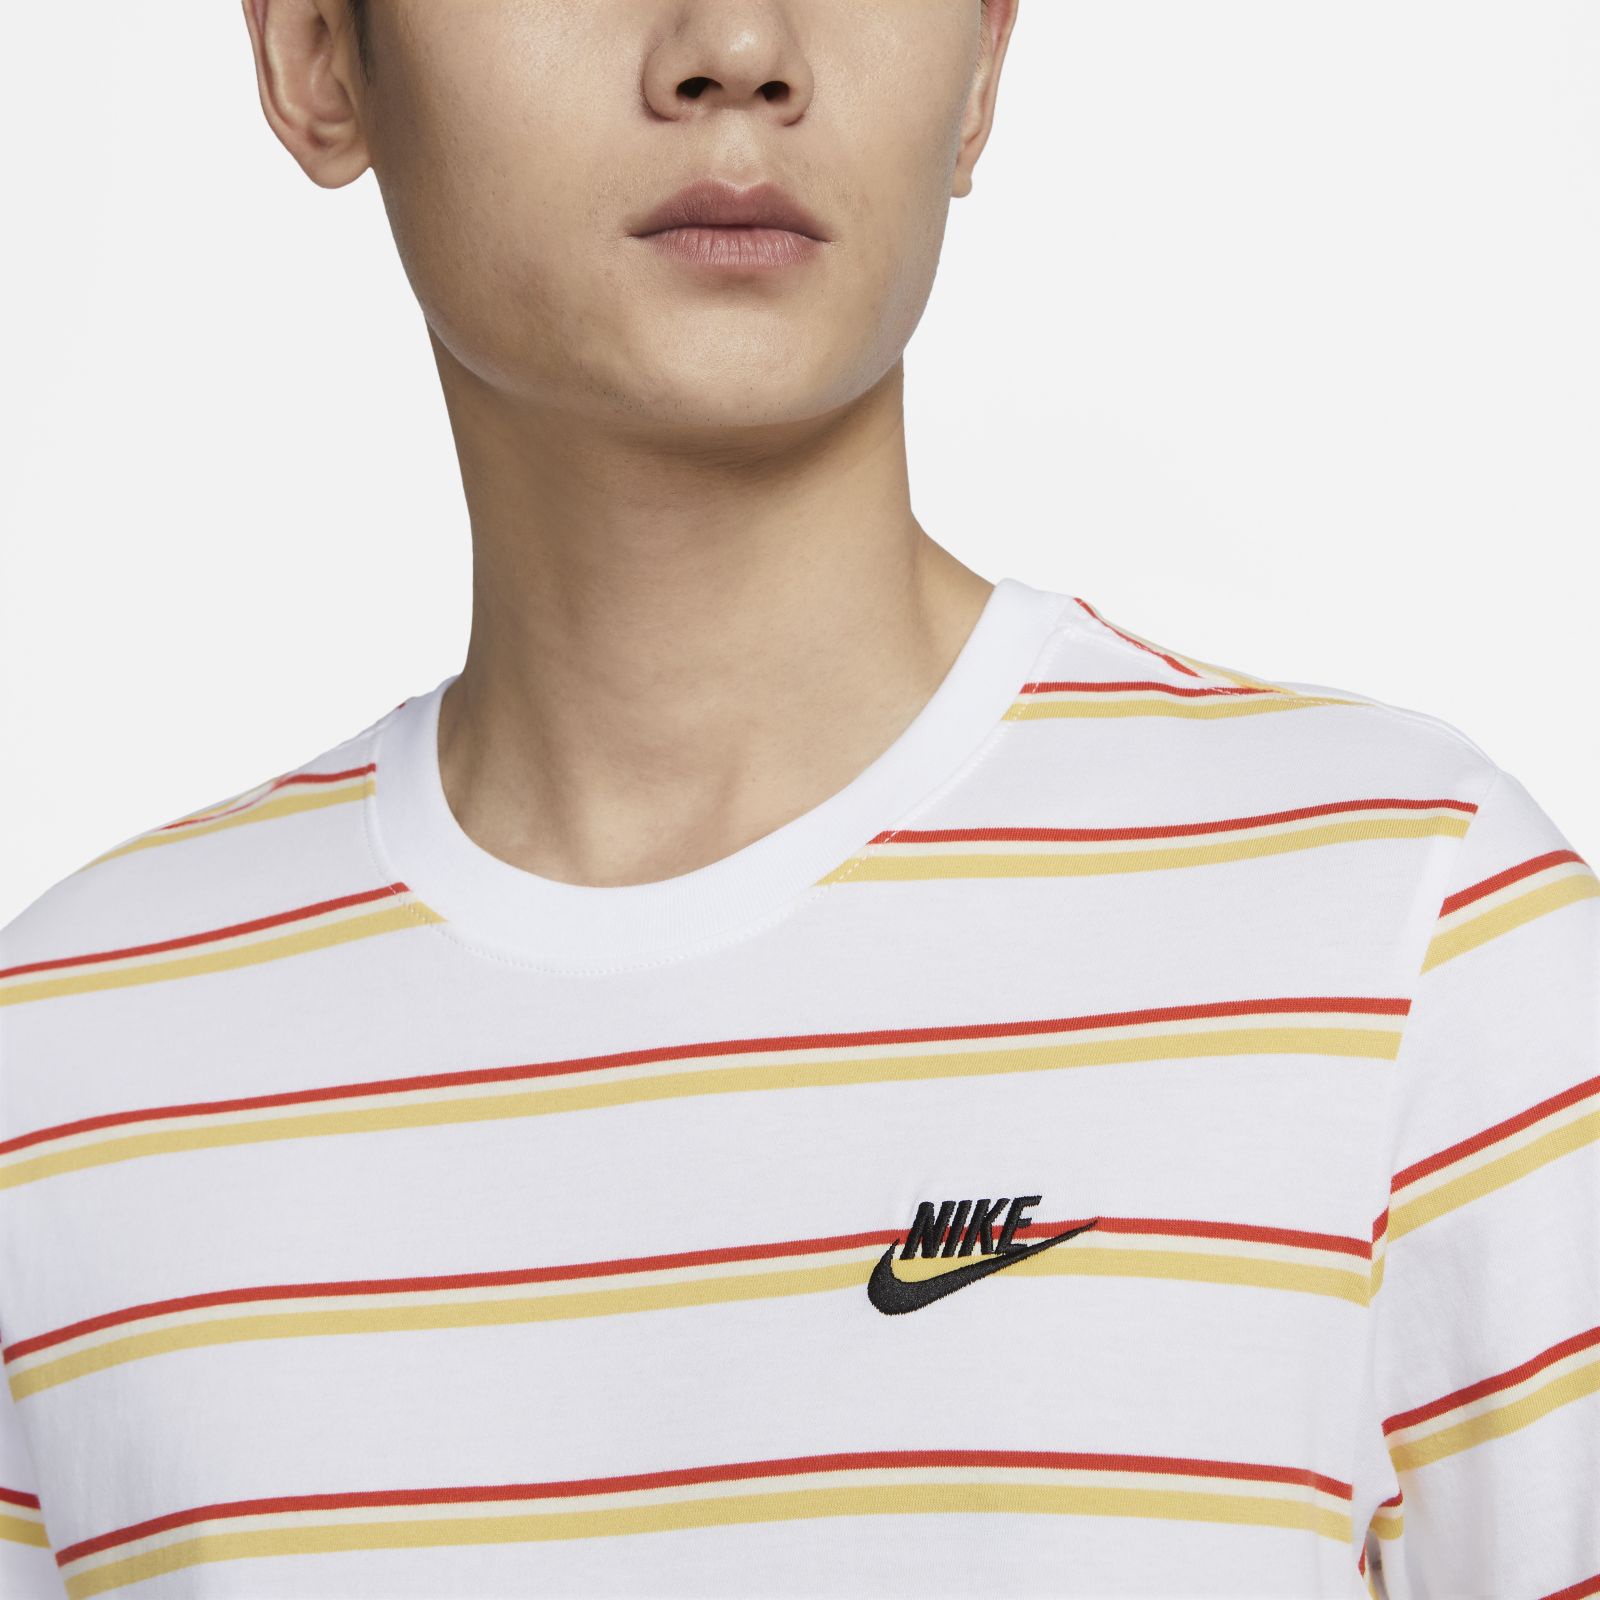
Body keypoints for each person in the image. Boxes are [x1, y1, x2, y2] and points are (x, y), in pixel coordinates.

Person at [1, 1, 1595, 1595]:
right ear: (317, 57)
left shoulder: (1418, 941)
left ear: (983, 65)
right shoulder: (63, 1083)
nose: (739, 42)